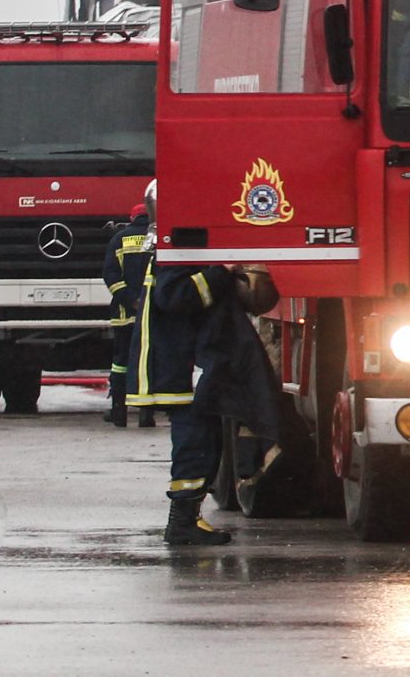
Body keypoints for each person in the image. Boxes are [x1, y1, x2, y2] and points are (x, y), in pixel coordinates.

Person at [136, 256, 280, 547]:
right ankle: (181, 522)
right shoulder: (175, 257)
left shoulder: (181, 255)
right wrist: (221, 272)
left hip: (194, 365)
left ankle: (188, 518)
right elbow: (177, 297)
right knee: (195, 443)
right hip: (184, 369)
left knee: (206, 441)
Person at [100, 183, 155, 429]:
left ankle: (118, 412)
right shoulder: (158, 238)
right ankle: (146, 415)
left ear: (132, 218)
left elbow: (110, 275)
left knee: (120, 362)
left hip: (124, 315)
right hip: (153, 315)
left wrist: (129, 300)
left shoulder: (119, 239)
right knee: (148, 362)